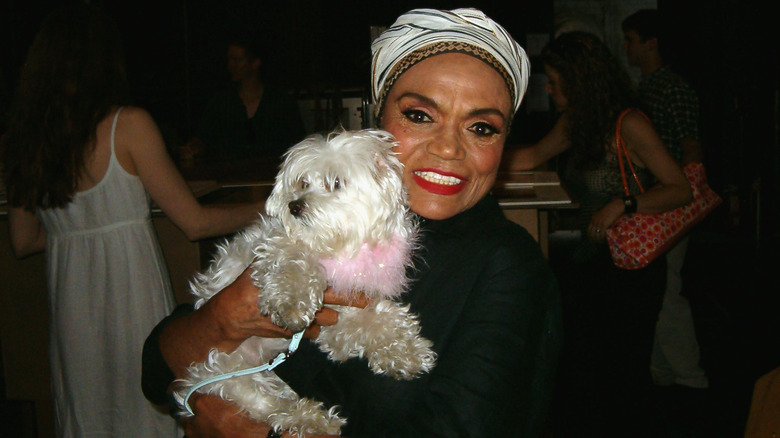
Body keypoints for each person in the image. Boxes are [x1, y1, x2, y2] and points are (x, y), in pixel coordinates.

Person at [142, 8, 562, 438]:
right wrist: (219, 320)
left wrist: (258, 435)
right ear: (377, 124)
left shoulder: (509, 268)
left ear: (503, 145)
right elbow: (155, 370)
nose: (449, 148)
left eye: (480, 127)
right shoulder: (309, 226)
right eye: (420, 115)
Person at [0, 5, 261, 437]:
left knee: (87, 413)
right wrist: (269, 207)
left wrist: (80, 229)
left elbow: (24, 241)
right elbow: (194, 223)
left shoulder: (27, 140)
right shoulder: (129, 125)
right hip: (130, 297)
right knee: (145, 412)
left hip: (71, 311)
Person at [502, 31, 692, 436]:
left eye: (555, 81)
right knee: (589, 371)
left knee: (624, 373)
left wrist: (623, 204)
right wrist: (474, 152)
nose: (550, 90)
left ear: (580, 78)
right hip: (591, 263)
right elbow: (533, 155)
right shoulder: (578, 122)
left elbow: (680, 187)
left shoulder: (629, 123)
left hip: (631, 268)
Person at [622, 8, 710, 391]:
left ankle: (690, 377)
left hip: (670, 203)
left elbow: (691, 148)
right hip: (656, 202)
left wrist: (686, 205)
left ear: (651, 43)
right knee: (659, 289)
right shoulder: (647, 86)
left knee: (669, 290)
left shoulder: (670, 87)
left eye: (631, 39)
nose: (626, 47)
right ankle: (665, 371)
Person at [181, 31, 306, 165]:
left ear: (255, 63)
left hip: (270, 176)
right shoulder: (221, 102)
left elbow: (298, 145)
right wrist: (193, 148)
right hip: (228, 176)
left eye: (237, 60)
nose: (231, 66)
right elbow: (203, 138)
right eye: (229, 60)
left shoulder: (281, 102)